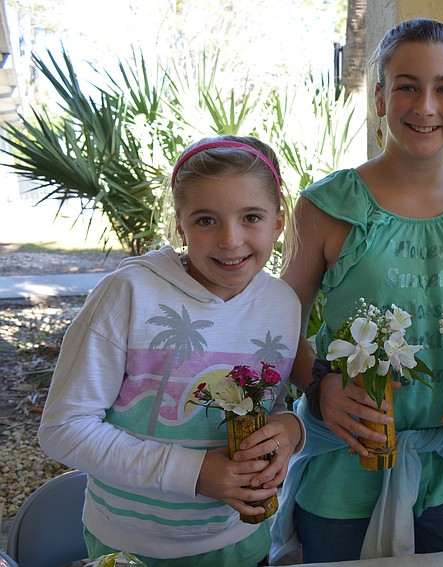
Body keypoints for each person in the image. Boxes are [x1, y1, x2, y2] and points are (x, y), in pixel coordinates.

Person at [269, 17, 443, 564]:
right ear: (379, 98)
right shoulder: (327, 207)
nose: (425, 106)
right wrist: (321, 389)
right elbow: (281, 328)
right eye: (406, 86)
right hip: (343, 473)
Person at [38, 135, 306, 566]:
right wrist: (193, 473)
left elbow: (268, 405)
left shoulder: (283, 305)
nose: (230, 240)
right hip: (130, 547)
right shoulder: (128, 294)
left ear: (278, 222)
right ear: (181, 225)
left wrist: (291, 428)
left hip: (242, 543)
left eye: (251, 217)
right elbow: (64, 428)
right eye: (206, 220)